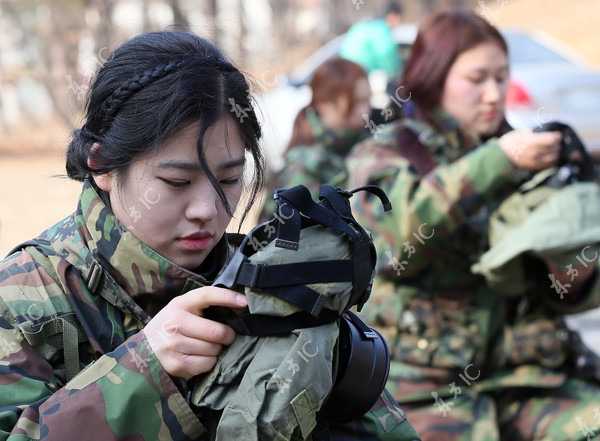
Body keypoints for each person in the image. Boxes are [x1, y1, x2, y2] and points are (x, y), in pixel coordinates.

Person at [0, 31, 421, 441]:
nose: (208, 209)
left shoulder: (267, 280)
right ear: (104, 166)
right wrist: (144, 368)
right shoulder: (25, 299)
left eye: (229, 177)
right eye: (176, 181)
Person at [345, 10, 600, 441]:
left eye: (502, 78)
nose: (493, 94)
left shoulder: (531, 160)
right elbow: (393, 241)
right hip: (423, 390)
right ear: (434, 77)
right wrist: (499, 162)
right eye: (477, 78)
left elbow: (570, 295)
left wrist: (569, 273)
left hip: (527, 380)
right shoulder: (386, 153)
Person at [260, 57, 371, 221]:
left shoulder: (359, 146)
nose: (366, 110)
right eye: (357, 101)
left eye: (368, 99)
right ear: (324, 104)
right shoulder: (303, 166)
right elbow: (306, 238)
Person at [339, 2, 403, 79]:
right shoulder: (381, 30)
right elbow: (385, 54)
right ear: (393, 16)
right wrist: (396, 74)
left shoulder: (361, 26)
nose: (398, 24)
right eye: (399, 19)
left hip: (346, 72)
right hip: (361, 74)